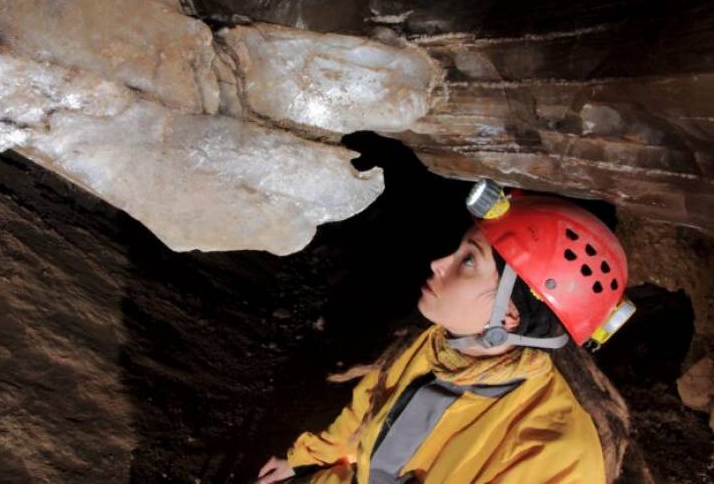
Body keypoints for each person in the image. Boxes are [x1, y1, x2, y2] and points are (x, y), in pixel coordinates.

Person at [257, 179, 635, 484]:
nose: (439, 263)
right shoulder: (437, 345)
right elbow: (371, 402)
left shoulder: (555, 455)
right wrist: (305, 460)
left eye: (468, 260)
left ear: (507, 318)